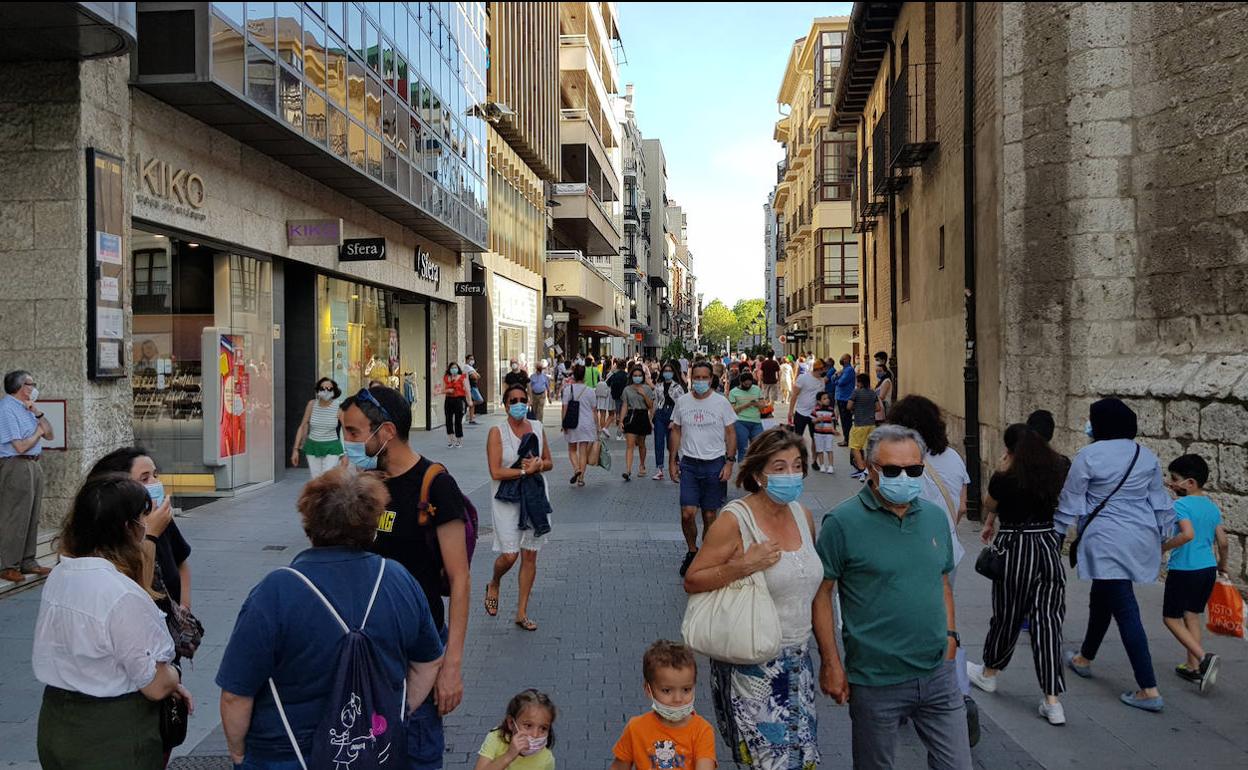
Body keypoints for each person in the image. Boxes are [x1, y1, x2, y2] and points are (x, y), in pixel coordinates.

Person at [217, 467, 444, 769]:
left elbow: (236, 694)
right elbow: (428, 661)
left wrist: (239, 754)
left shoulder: (276, 591)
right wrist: (395, 711)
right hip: (374, 755)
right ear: (372, 526)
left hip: (286, 756)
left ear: (308, 524)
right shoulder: (398, 580)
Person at [816, 425, 971, 770]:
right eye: (891, 470)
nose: (904, 477)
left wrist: (950, 639)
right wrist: (831, 663)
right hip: (876, 680)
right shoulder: (841, 523)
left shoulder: (933, 518)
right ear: (870, 469)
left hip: (938, 676)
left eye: (913, 470)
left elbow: (942, 582)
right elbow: (822, 594)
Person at [684, 428, 833, 770]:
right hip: (750, 662)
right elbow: (694, 579)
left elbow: (816, 593)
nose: (791, 474)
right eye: (779, 467)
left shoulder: (803, 515)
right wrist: (744, 565)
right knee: (771, 764)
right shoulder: (734, 520)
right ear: (757, 475)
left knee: (802, 760)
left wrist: (830, 660)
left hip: (799, 662)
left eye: (797, 465)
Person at [339, 386, 470, 766]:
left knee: (418, 750)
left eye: (353, 432)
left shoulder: (435, 485)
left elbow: (460, 580)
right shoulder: (362, 485)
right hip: (364, 646)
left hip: (420, 650)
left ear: (387, 432)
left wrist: (452, 665)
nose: (346, 441)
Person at [33, 473, 190, 770]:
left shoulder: (60, 576)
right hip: (113, 733)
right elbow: (155, 686)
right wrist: (174, 678)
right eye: (144, 516)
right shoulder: (120, 593)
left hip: (56, 721)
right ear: (128, 528)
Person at [1058, 398, 1175, 713]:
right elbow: (1160, 501)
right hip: (1140, 536)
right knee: (1103, 596)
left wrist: (1056, 535)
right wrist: (1165, 534)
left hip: (1106, 539)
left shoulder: (1088, 456)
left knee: (1123, 606)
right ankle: (1085, 657)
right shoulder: (1146, 455)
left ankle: (1149, 688)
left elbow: (1071, 501)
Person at [967, 423, 1070, 725]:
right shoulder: (1056, 470)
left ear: (1010, 450)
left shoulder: (1006, 477)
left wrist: (1000, 472)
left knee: (1008, 613)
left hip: (1016, 546)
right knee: (1048, 620)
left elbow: (989, 504)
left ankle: (989, 672)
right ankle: (1053, 700)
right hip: (1048, 545)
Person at [87, 448, 192, 620]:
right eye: (145, 478)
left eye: (155, 475)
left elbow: (181, 561)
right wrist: (150, 534)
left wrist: (185, 607)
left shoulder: (162, 519)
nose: (154, 482)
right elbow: (140, 586)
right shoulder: (108, 534)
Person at [484, 384, 553, 632]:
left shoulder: (537, 427)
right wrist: (525, 470)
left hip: (533, 498)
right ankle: (494, 582)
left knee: (530, 555)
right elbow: (495, 471)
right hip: (506, 501)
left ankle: (521, 612)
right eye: (513, 400)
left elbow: (549, 462)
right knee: (509, 555)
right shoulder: (497, 432)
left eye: (522, 399)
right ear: (505, 405)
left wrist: (538, 465)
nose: (519, 403)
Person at [1161, 453, 1227, 692]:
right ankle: (1193, 667)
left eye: (1174, 478)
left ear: (1189, 483)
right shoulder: (1211, 507)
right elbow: (1223, 541)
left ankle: (1203, 658)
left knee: (1170, 617)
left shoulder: (1180, 505)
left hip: (1184, 569)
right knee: (1192, 615)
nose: (1171, 482)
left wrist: (1163, 547)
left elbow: (1187, 534)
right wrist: (1222, 565)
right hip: (1207, 569)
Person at [669, 361, 738, 577]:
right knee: (688, 513)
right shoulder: (682, 402)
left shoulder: (721, 403)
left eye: (703, 378)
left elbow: (731, 434)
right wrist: (672, 460)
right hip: (689, 463)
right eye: (696, 377)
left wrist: (729, 462)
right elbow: (676, 431)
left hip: (714, 464)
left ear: (711, 379)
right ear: (690, 377)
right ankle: (692, 550)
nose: (699, 381)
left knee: (710, 515)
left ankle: (707, 553)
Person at [610, 640, 716, 770]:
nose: (678, 699)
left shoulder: (702, 731)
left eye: (686, 689)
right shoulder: (635, 729)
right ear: (649, 690)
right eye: (667, 690)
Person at [0, 370, 53, 584]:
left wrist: (38, 413)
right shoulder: (6, 409)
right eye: (31, 383)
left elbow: (50, 433)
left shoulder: (27, 408)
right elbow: (20, 446)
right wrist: (38, 433)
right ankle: (7, 564)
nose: (33, 387)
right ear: (22, 387)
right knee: (14, 515)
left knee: (32, 514)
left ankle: (28, 560)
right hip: (16, 465)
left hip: (33, 463)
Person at [474, 689, 557, 770]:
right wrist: (509, 755)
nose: (535, 735)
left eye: (543, 728)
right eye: (528, 725)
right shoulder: (496, 737)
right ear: (511, 723)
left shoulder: (546, 759)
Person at [289, 377, 344, 477]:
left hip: (332, 447)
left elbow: (345, 430)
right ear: (318, 390)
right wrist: (295, 450)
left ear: (334, 391)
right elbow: (302, 426)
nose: (326, 391)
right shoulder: (312, 404)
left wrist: (345, 452)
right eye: (322, 389)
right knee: (316, 479)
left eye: (329, 389)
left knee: (327, 477)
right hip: (313, 446)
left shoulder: (338, 406)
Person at [786, 358, 826, 472]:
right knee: (798, 438)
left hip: (815, 414)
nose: (823, 373)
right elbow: (794, 395)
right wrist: (790, 411)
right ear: (817, 369)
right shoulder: (803, 378)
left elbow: (821, 397)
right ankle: (798, 461)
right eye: (822, 370)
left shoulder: (822, 381)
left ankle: (814, 461)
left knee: (816, 438)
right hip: (801, 412)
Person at [561, 365, 598, 487]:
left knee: (572, 450)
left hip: (572, 423)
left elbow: (564, 408)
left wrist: (563, 422)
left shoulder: (568, 390)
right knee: (583, 452)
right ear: (584, 376)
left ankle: (576, 469)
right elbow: (594, 411)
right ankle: (581, 479)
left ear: (574, 376)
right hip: (587, 424)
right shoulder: (590, 391)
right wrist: (597, 427)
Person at [651, 361, 685, 482]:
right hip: (660, 413)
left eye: (670, 371)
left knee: (672, 444)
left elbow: (680, 405)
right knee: (658, 442)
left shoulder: (678, 387)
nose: (667, 373)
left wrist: (674, 420)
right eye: (665, 371)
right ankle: (659, 469)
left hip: (672, 414)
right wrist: (652, 416)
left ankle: (677, 466)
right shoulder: (658, 385)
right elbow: (655, 402)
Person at [620, 366, 655, 482]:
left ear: (643, 377)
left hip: (643, 415)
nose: (637, 377)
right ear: (631, 377)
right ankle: (628, 470)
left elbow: (651, 406)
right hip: (631, 415)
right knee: (630, 445)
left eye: (639, 375)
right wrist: (621, 420)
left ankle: (642, 465)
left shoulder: (647, 389)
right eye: (635, 375)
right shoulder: (627, 389)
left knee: (641, 443)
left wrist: (644, 394)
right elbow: (625, 405)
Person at [848, 374, 882, 480]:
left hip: (859, 424)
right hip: (871, 424)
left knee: (855, 447)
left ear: (860, 382)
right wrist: (869, 410)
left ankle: (861, 469)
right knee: (869, 448)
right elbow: (878, 408)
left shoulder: (856, 392)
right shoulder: (873, 393)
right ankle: (868, 468)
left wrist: (856, 409)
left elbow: (848, 406)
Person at [728, 369, 765, 462]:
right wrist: (747, 405)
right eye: (746, 384)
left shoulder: (756, 389)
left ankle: (755, 470)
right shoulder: (733, 392)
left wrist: (756, 403)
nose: (748, 386)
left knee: (759, 448)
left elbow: (763, 405)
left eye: (750, 384)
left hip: (756, 422)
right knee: (743, 449)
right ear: (741, 382)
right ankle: (743, 471)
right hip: (741, 422)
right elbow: (732, 411)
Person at [832, 355, 857, 448]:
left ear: (847, 360)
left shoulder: (849, 370)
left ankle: (847, 439)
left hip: (845, 398)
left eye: (843, 358)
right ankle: (846, 438)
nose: (841, 360)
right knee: (843, 420)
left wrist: (837, 377)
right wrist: (836, 376)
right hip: (840, 397)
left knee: (846, 420)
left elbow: (841, 382)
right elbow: (832, 379)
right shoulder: (843, 370)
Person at [812, 392, 839, 474]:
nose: (827, 400)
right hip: (818, 433)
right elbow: (812, 420)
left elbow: (833, 421)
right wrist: (817, 420)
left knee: (829, 449)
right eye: (824, 399)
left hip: (828, 434)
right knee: (819, 450)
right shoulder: (815, 410)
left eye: (827, 398)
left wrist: (834, 430)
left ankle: (830, 466)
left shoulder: (831, 410)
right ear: (819, 401)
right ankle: (822, 465)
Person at [443, 362, 469, 448]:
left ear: (458, 368)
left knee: (458, 420)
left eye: (455, 367)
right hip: (449, 400)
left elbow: (467, 389)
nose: (454, 369)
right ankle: (450, 439)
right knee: (448, 420)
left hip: (459, 400)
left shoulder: (462, 377)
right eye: (452, 368)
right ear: (449, 369)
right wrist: (446, 391)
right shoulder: (446, 378)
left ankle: (459, 440)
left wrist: (469, 400)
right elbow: (444, 389)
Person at [606, 360, 631, 440]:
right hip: (625, 397)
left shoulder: (614, 375)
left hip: (616, 397)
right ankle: (620, 433)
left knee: (619, 414)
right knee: (623, 415)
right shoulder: (627, 376)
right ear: (625, 367)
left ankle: (619, 432)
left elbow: (607, 383)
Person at [594, 365, 614, 436]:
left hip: (600, 393)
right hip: (607, 393)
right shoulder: (611, 374)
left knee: (602, 413)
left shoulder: (601, 372)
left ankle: (601, 428)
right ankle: (604, 428)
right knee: (608, 413)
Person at [873, 358, 894, 424]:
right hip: (879, 406)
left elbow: (881, 396)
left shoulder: (886, 381)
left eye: (880, 371)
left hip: (885, 406)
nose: (878, 373)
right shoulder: (880, 381)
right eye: (876, 371)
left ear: (885, 372)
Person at [464, 354, 482, 424]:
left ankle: (471, 419)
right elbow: (474, 377)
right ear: (467, 360)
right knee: (480, 400)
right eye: (470, 359)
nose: (472, 360)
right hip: (471, 387)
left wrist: (476, 375)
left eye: (473, 359)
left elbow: (478, 376)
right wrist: (476, 375)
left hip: (474, 386)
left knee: (473, 402)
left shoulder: (471, 368)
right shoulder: (467, 367)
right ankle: (468, 404)